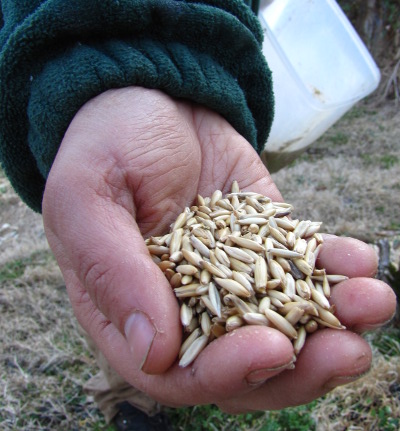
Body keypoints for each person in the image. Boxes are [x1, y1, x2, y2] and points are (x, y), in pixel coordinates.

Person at [0, 1, 397, 430]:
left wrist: (193, 59)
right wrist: (107, 69)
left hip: (218, 111)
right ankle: (128, 401)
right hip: (150, 114)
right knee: (126, 270)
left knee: (140, 276)